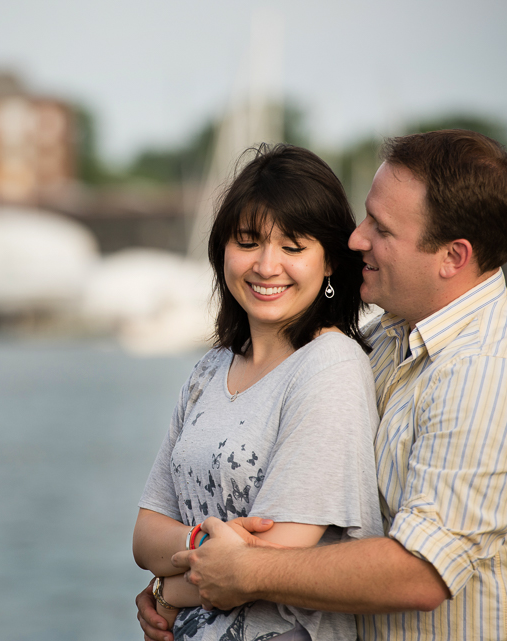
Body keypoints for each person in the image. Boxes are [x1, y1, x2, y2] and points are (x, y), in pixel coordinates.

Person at [136, 129, 507, 641]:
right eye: (366, 216)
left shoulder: (490, 373)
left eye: (381, 229)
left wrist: (226, 575)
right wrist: (184, 583)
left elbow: (422, 571)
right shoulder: (386, 338)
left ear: (453, 257)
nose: (356, 238)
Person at [133, 143, 383, 641]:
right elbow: (144, 536)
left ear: (330, 262)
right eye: (248, 242)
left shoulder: (328, 367)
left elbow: (273, 563)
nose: (267, 266)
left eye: (293, 247)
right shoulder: (209, 371)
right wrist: (205, 543)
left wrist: (166, 588)